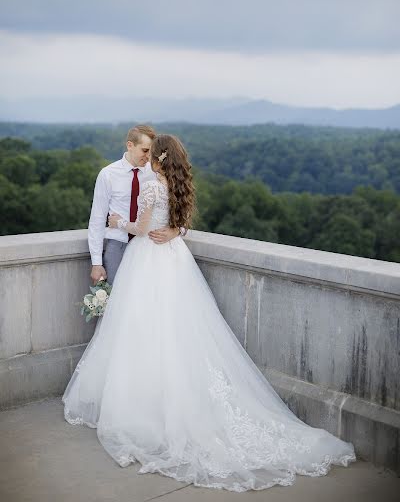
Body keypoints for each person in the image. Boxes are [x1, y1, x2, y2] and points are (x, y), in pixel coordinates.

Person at [62, 134, 356, 493]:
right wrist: (174, 231)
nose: (147, 156)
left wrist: (118, 221)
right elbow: (181, 225)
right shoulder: (178, 186)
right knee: (176, 331)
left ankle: (146, 404)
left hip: (146, 259)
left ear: (156, 156)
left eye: (150, 152)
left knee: (142, 331)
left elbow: (140, 229)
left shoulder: (154, 187)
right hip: (173, 259)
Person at [88, 124, 179, 285]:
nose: (149, 156)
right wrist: (96, 263)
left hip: (150, 249)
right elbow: (97, 219)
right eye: (145, 151)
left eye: (151, 152)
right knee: (115, 298)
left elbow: (178, 207)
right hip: (118, 246)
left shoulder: (157, 175)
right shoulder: (108, 174)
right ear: (130, 145)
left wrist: (176, 231)